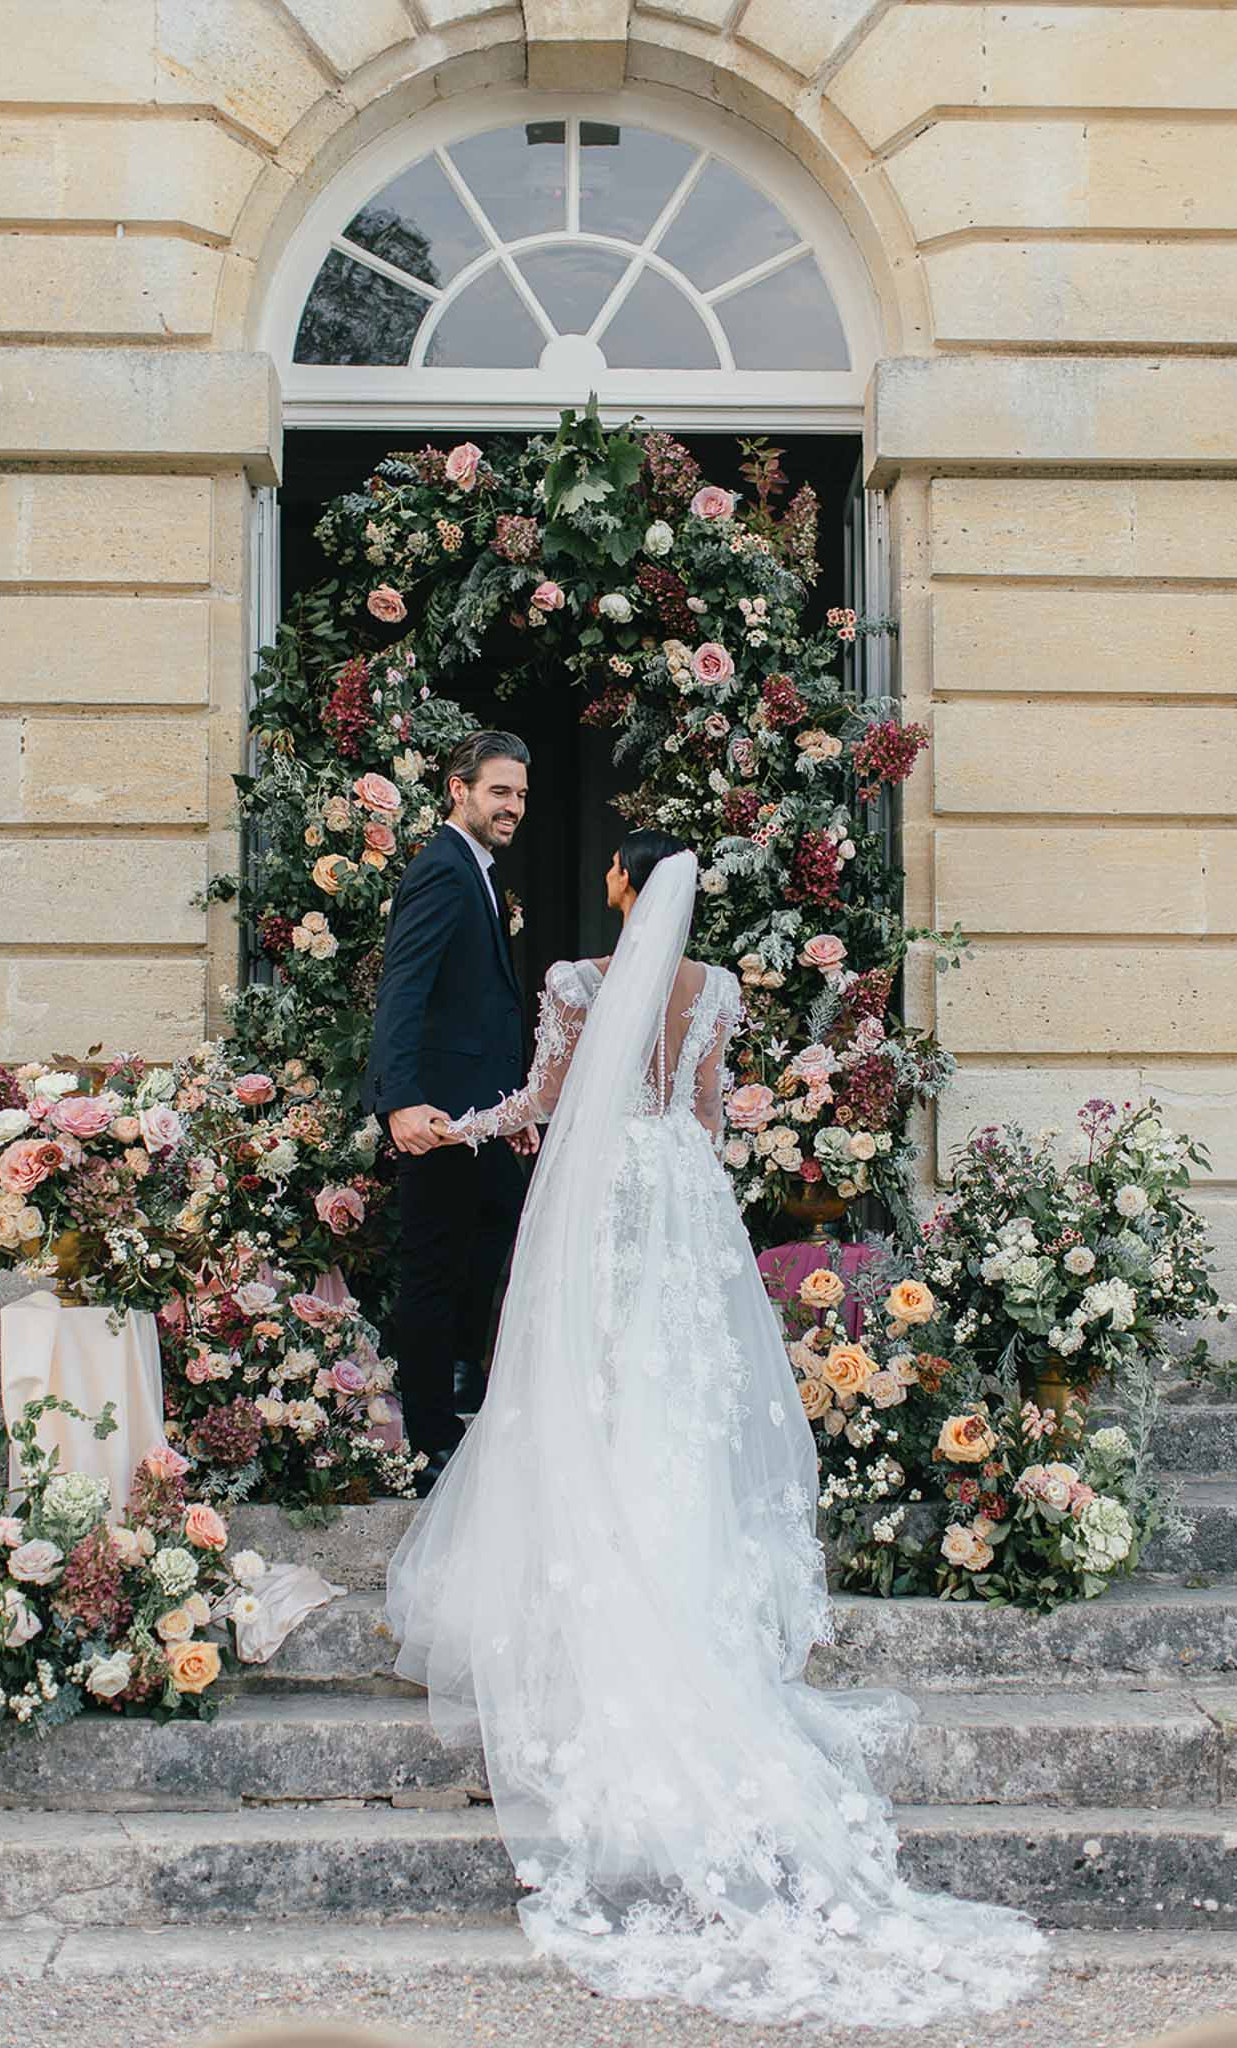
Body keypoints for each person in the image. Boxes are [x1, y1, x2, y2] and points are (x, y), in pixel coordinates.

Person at [385, 831, 1045, 2026]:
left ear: (623, 884)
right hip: (683, 1191)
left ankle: (594, 1609)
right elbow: (704, 1110)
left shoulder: (577, 981)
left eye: (614, 876)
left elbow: (545, 1100)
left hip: (608, 1193)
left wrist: (457, 1125)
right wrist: (686, 1168)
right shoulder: (721, 990)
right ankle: (682, 1597)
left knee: (589, 1385)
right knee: (681, 1394)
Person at [363, 731, 535, 1492]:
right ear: (457, 790)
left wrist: (518, 1107)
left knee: (483, 1262)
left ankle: (461, 1415)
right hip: (438, 1119)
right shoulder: (441, 869)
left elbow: (484, 1009)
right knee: (432, 1273)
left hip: (485, 1121)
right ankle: (428, 1437)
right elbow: (403, 988)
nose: (514, 807)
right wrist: (398, 1100)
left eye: (522, 795)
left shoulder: (481, 873)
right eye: (500, 791)